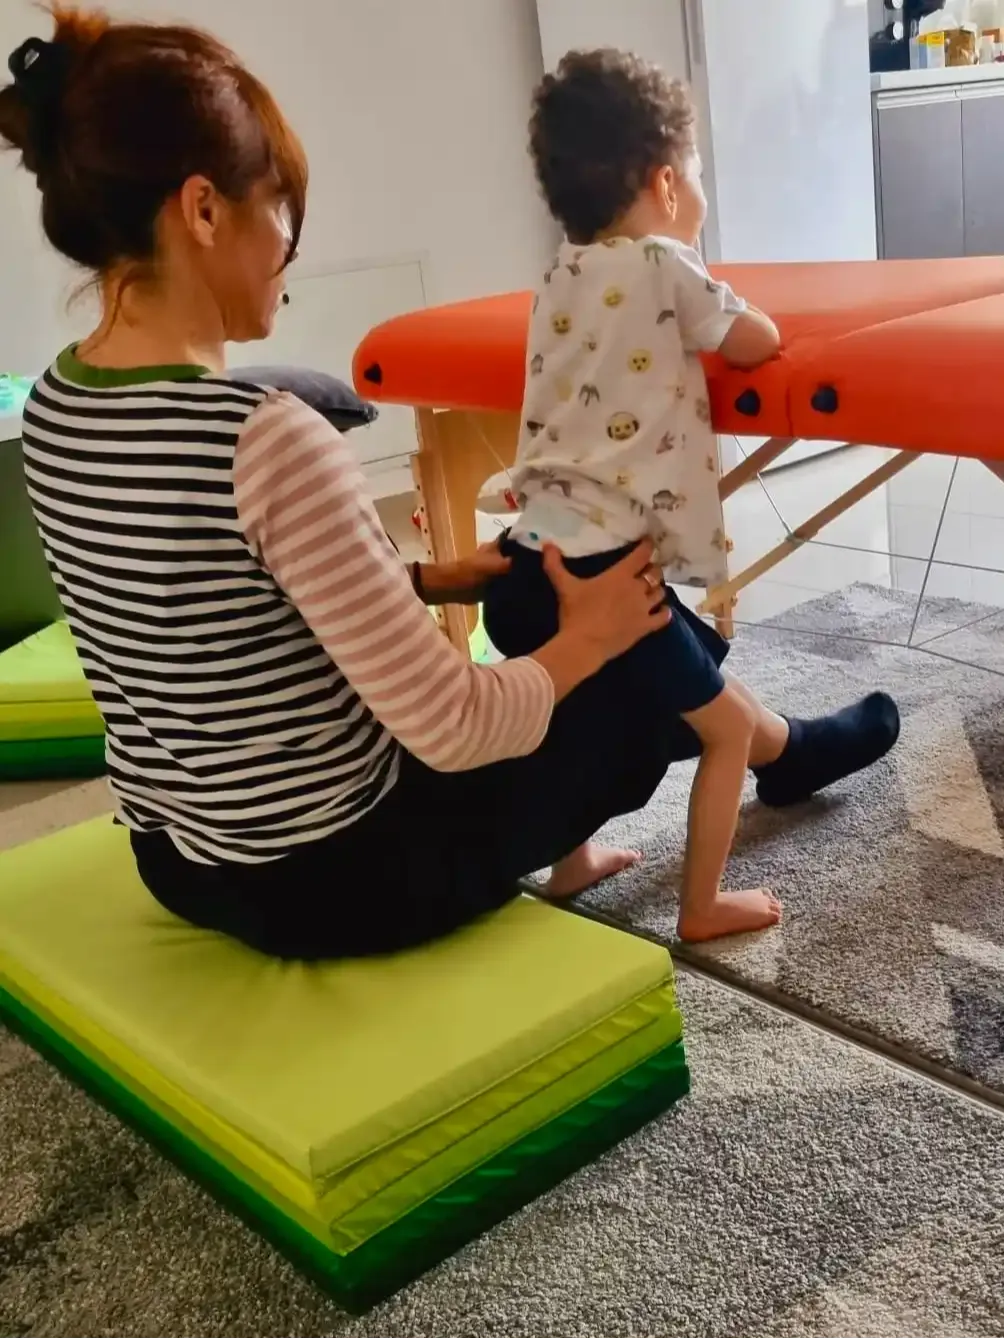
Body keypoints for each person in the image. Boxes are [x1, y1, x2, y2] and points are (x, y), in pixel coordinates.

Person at [0, 10, 897, 959]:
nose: (289, 244)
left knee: (611, 638)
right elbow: (457, 727)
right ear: (204, 210)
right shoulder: (267, 439)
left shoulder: (53, 407)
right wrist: (587, 641)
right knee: (641, 675)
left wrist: (427, 580)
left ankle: (783, 746)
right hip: (343, 878)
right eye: (280, 207)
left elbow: (198, 607)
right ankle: (782, 748)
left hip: (179, 855)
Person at [481, 49, 902, 940]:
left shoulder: (557, 274)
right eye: (699, 171)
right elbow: (755, 338)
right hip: (606, 579)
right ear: (667, 183)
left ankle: (571, 858)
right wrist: (736, 306)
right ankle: (703, 905)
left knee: (570, 711)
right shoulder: (664, 262)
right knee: (721, 731)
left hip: (525, 563)